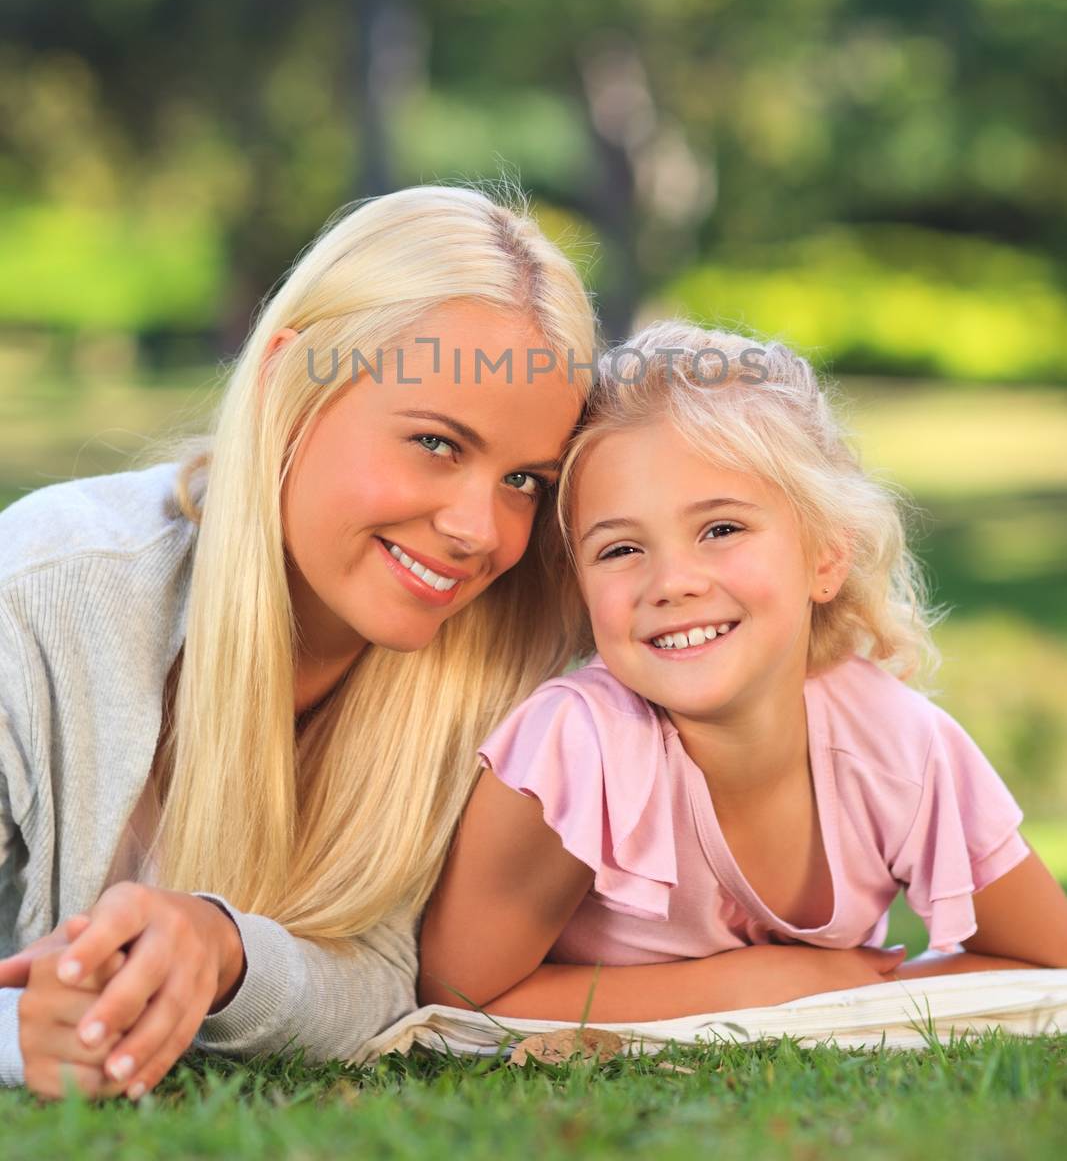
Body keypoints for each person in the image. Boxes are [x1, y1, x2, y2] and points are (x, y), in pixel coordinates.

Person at [0, 183, 598, 1097]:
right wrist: (22, 1035)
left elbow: (382, 976)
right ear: (287, 381)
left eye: (523, 479)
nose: (483, 530)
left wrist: (224, 950)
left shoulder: (500, 656)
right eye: (436, 443)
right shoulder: (44, 594)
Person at [419, 321, 1067, 1020]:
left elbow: (1048, 957)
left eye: (721, 530)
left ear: (823, 557)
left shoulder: (898, 746)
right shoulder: (575, 748)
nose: (671, 582)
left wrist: (859, 995)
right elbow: (461, 999)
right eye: (619, 549)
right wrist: (752, 987)